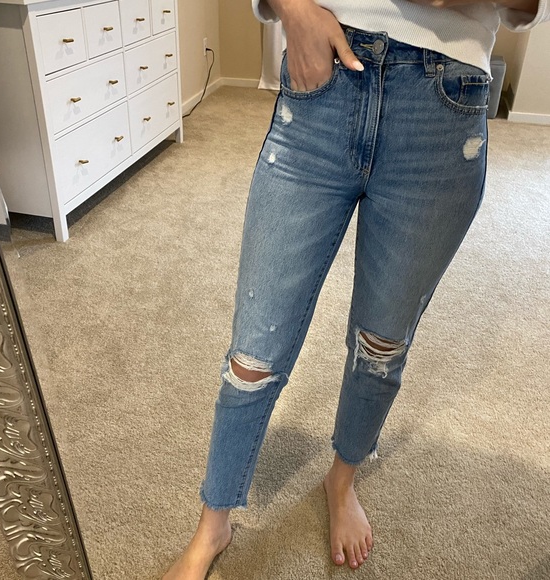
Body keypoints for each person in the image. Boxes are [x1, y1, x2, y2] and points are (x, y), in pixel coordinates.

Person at [163, 0, 549, 577]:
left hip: (443, 107)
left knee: (381, 344)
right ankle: (212, 524)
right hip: (326, 80)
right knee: (253, 351)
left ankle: (341, 482)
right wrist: (291, 8)